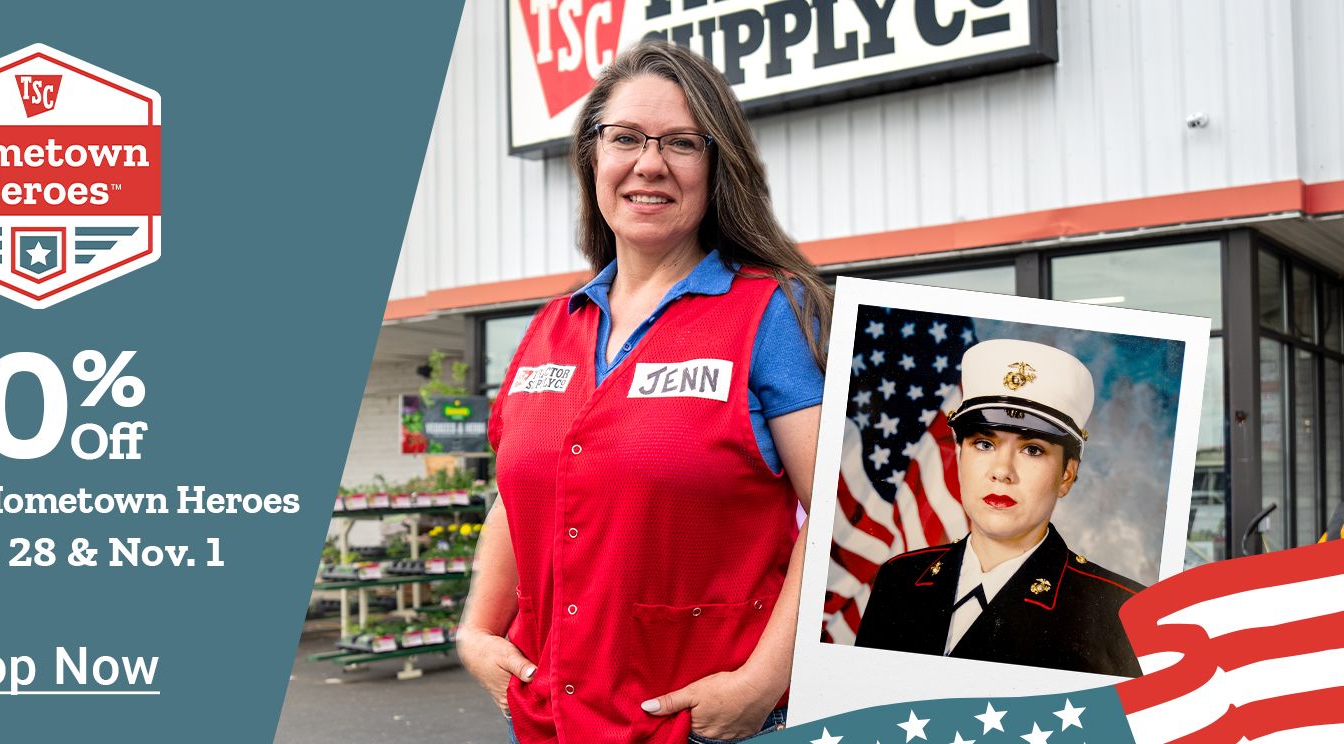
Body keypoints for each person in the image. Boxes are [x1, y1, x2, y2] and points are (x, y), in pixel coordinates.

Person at [455, 40, 831, 743]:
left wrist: (762, 682)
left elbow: (840, 510)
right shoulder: (549, 329)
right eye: (625, 137)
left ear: (718, 167)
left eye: (682, 143)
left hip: (706, 725)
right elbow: (519, 496)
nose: (649, 163)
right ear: (592, 156)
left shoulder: (772, 312)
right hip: (553, 721)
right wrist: (476, 631)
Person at [855, 339, 1145, 678]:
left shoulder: (1122, 612)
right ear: (960, 455)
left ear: (1067, 475)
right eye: (984, 443)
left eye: (1032, 450)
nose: (1002, 470)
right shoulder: (900, 579)